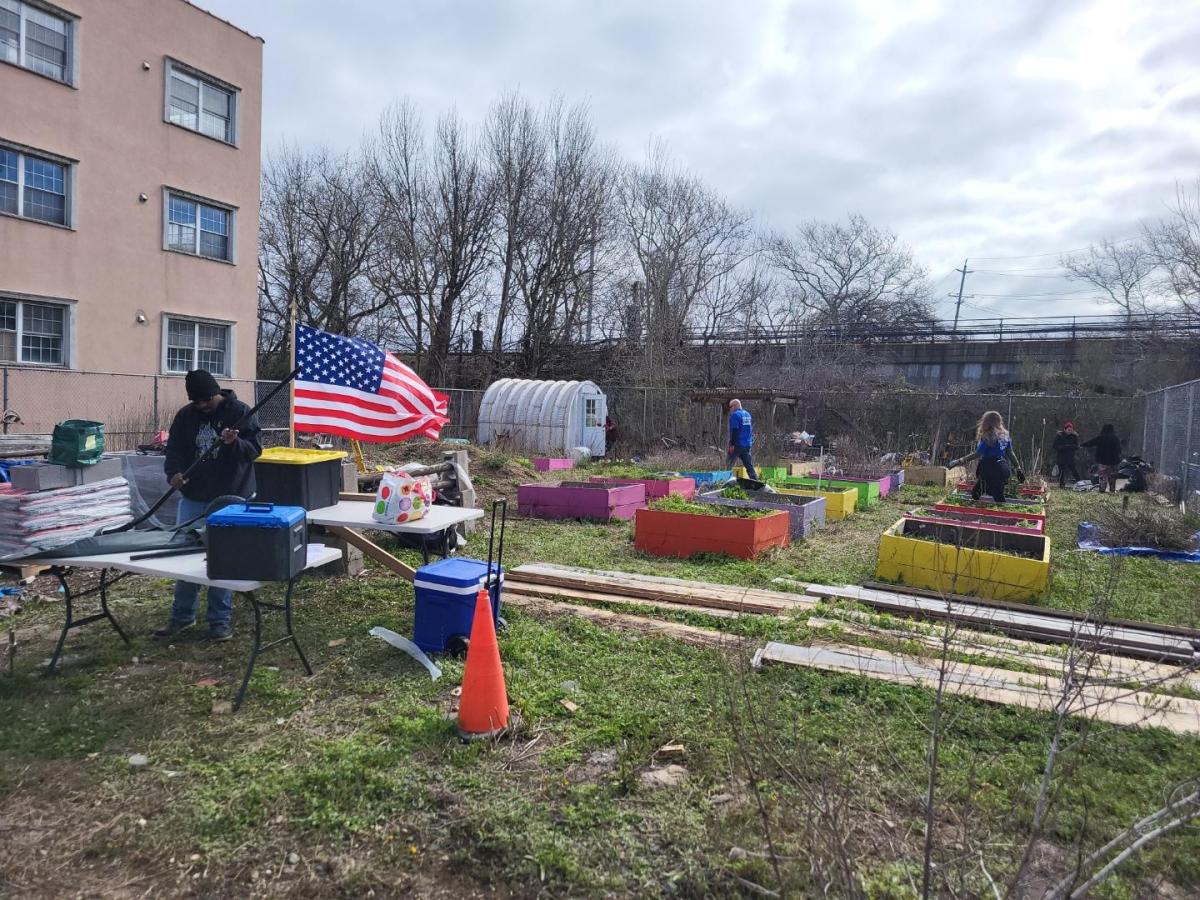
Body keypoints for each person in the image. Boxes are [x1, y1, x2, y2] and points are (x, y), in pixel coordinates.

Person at [154, 369, 262, 642]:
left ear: (216, 393)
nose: (202, 406)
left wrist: (234, 442)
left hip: (229, 498)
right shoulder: (186, 416)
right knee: (185, 556)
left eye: (206, 400)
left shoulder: (240, 412)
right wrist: (173, 473)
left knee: (221, 559)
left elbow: (255, 452)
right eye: (196, 401)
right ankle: (182, 616)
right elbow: (175, 449)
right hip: (194, 496)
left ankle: (219, 621)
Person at [947, 410, 1024, 503]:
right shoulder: (1005, 436)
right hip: (1002, 467)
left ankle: (1003, 514)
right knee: (979, 492)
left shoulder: (988, 436)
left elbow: (978, 453)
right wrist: (1018, 468)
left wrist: (959, 461)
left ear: (986, 422)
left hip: (988, 468)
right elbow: (1010, 453)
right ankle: (983, 498)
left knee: (997, 496)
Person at [1082, 423, 1122, 493]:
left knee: (1103, 476)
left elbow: (1091, 443)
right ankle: (1112, 490)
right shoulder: (1115, 438)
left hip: (1102, 461)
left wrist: (1082, 445)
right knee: (1112, 477)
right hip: (1114, 461)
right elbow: (1119, 450)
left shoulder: (1101, 437)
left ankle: (1102, 490)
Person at [726, 399, 757, 480]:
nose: (730, 409)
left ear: (735, 406)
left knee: (729, 463)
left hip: (737, 444)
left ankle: (724, 480)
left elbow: (735, 431)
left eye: (730, 407)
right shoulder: (748, 414)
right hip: (747, 444)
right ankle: (755, 481)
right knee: (749, 465)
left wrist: (732, 444)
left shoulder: (735, 415)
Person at [1052, 421, 1080, 488]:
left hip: (1070, 456)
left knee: (1074, 470)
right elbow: (1055, 446)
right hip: (1061, 456)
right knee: (1062, 471)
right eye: (1068, 430)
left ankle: (1080, 483)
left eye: (1071, 430)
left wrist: (1072, 447)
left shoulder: (1074, 436)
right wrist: (1063, 447)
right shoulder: (1059, 436)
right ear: (1065, 429)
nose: (1070, 431)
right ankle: (1062, 485)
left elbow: (1077, 446)